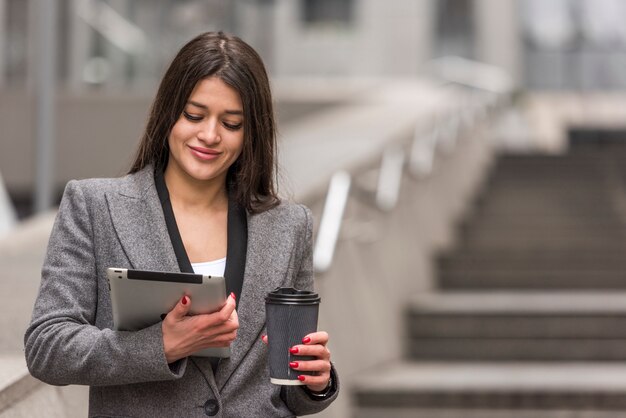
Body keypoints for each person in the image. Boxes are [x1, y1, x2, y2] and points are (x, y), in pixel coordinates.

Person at [24, 31, 338, 417]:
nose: (209, 135)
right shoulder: (95, 206)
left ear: (251, 132)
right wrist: (161, 345)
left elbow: (286, 387)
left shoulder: (289, 226)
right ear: (169, 111)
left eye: (232, 123)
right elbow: (47, 346)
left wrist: (316, 381)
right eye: (194, 115)